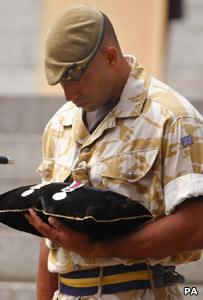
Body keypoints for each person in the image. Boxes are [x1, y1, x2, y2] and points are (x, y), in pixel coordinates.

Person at [26, 3, 203, 300]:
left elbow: (197, 225)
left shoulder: (171, 118)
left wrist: (100, 249)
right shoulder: (60, 124)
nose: (69, 95)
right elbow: (51, 237)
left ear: (110, 57)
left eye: (76, 79)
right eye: (62, 84)